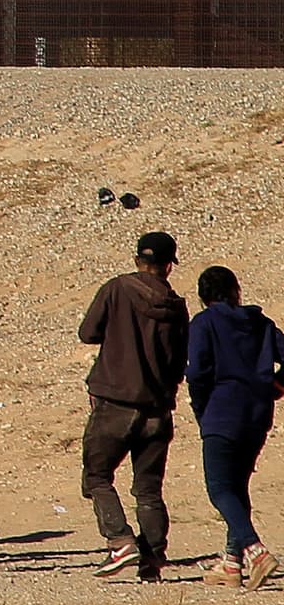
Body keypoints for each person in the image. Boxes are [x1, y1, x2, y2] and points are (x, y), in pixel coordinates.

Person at [80, 229, 190, 581]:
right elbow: (179, 363)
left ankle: (120, 541)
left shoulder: (118, 288)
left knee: (96, 476)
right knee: (148, 487)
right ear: (169, 266)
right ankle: (153, 559)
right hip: (159, 408)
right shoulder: (177, 305)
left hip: (115, 401)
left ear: (137, 260)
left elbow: (88, 333)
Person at [183, 264, 280, 588]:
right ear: (236, 292)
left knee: (220, 488)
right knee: (237, 486)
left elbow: (196, 372)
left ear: (202, 297)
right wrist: (277, 386)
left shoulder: (204, 323)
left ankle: (255, 550)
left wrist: (201, 407)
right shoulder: (261, 323)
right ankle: (231, 562)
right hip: (257, 414)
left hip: (222, 412)